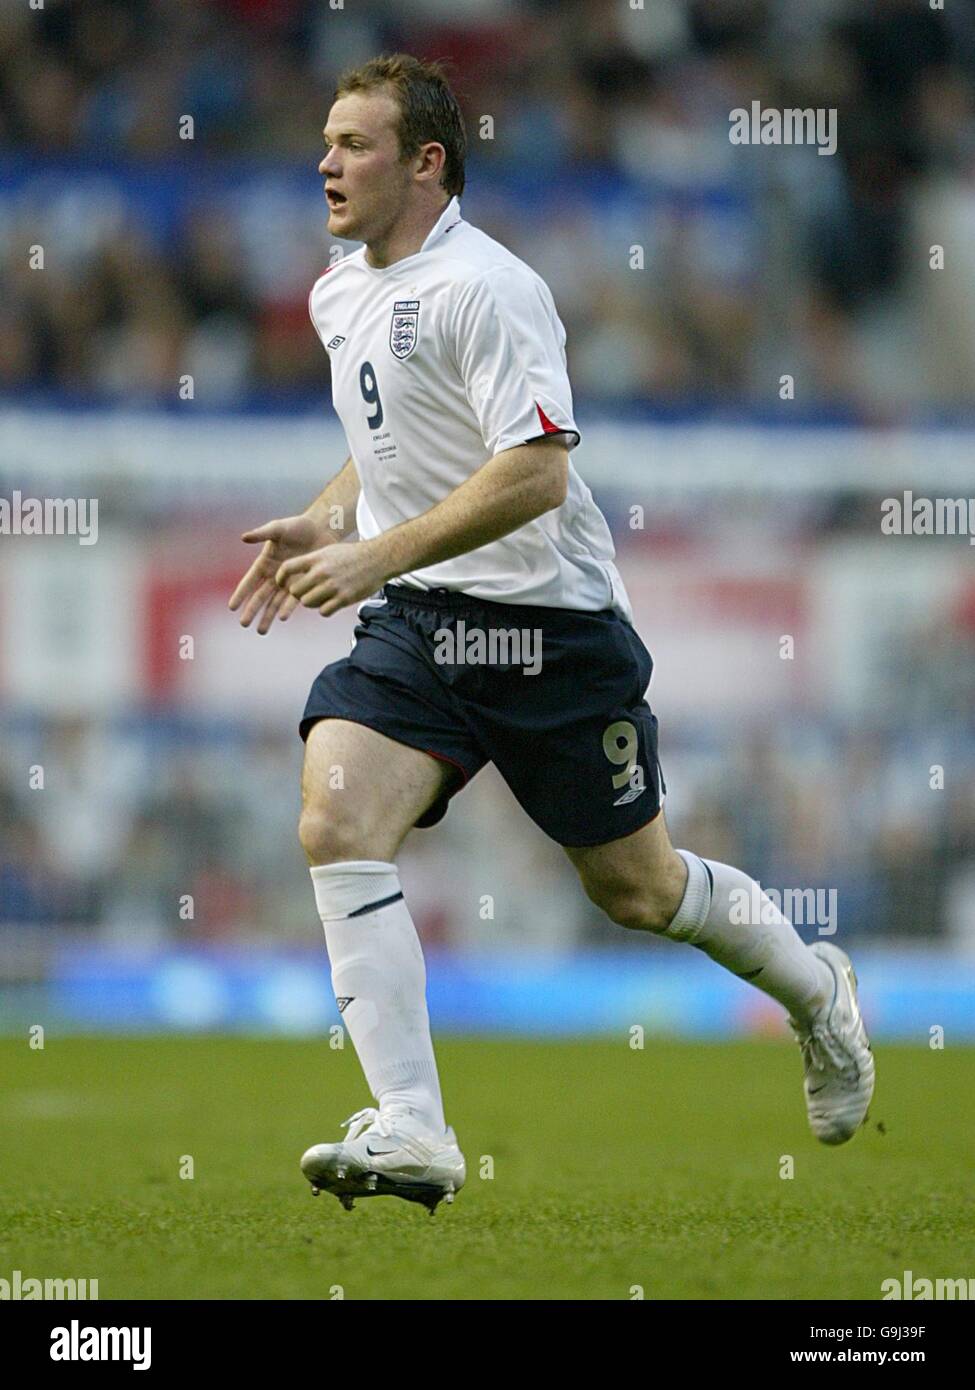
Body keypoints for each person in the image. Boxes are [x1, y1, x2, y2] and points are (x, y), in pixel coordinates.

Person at [229, 54, 874, 1215]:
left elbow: (532, 471)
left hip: (549, 634)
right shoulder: (339, 290)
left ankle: (818, 994)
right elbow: (388, 443)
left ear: (426, 163)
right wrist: (329, 517)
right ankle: (415, 1127)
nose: (326, 163)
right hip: (425, 622)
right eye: (325, 141)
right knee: (334, 815)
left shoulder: (493, 287)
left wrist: (372, 549)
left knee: (638, 890)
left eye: (355, 144)